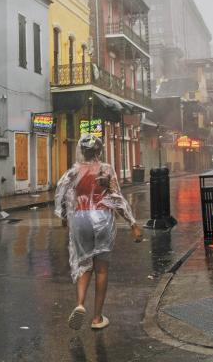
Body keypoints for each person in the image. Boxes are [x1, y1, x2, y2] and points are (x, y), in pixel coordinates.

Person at [55, 134, 143, 330]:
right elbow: (116, 199)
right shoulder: (105, 170)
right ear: (99, 151)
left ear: (82, 150)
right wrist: (132, 224)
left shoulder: (74, 172)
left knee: (84, 264)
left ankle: (79, 304)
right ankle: (97, 318)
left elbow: (61, 197)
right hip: (102, 218)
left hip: (80, 218)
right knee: (101, 268)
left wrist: (64, 217)